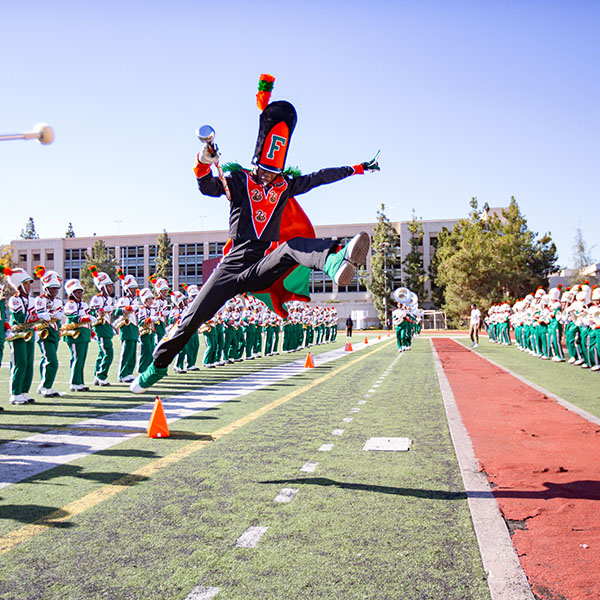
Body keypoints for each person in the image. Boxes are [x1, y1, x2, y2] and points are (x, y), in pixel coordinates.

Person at [131, 81, 378, 393]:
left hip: (262, 264)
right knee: (192, 318)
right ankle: (158, 365)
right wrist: (202, 163)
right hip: (232, 265)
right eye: (264, 172)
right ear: (255, 163)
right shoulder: (237, 179)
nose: (269, 178)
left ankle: (334, 260)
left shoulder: (284, 185)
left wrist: (356, 168)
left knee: (290, 247)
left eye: (274, 174)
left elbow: (320, 177)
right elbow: (207, 188)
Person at [1, 267, 36, 405]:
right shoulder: (14, 300)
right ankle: (15, 393)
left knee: (28, 364)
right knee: (19, 363)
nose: (29, 286)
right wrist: (37, 316)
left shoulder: (31, 300)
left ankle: (23, 392)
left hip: (29, 333)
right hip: (18, 334)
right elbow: (20, 317)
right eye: (26, 283)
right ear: (20, 285)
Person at [33, 265, 64, 397]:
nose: (55, 291)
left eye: (56, 288)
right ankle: (46, 386)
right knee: (52, 361)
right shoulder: (40, 299)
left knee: (45, 360)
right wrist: (44, 315)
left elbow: (61, 312)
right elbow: (39, 313)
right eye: (52, 288)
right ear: (46, 288)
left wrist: (59, 315)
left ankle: (43, 385)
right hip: (44, 333)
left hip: (54, 333)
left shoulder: (58, 301)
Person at [63, 279, 93, 392]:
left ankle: (80, 382)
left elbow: (89, 315)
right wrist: (86, 318)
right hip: (75, 335)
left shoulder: (83, 304)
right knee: (77, 358)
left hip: (84, 334)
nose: (80, 294)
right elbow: (73, 318)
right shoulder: (70, 304)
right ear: (71, 293)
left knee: (82, 359)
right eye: (77, 292)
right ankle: (74, 382)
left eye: (81, 291)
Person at [88, 266, 115, 386]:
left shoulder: (109, 299)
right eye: (108, 286)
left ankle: (97, 376)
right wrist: (104, 309)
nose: (111, 288)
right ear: (102, 287)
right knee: (109, 352)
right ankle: (101, 376)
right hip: (101, 329)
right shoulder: (96, 298)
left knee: (102, 353)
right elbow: (93, 312)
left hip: (107, 329)